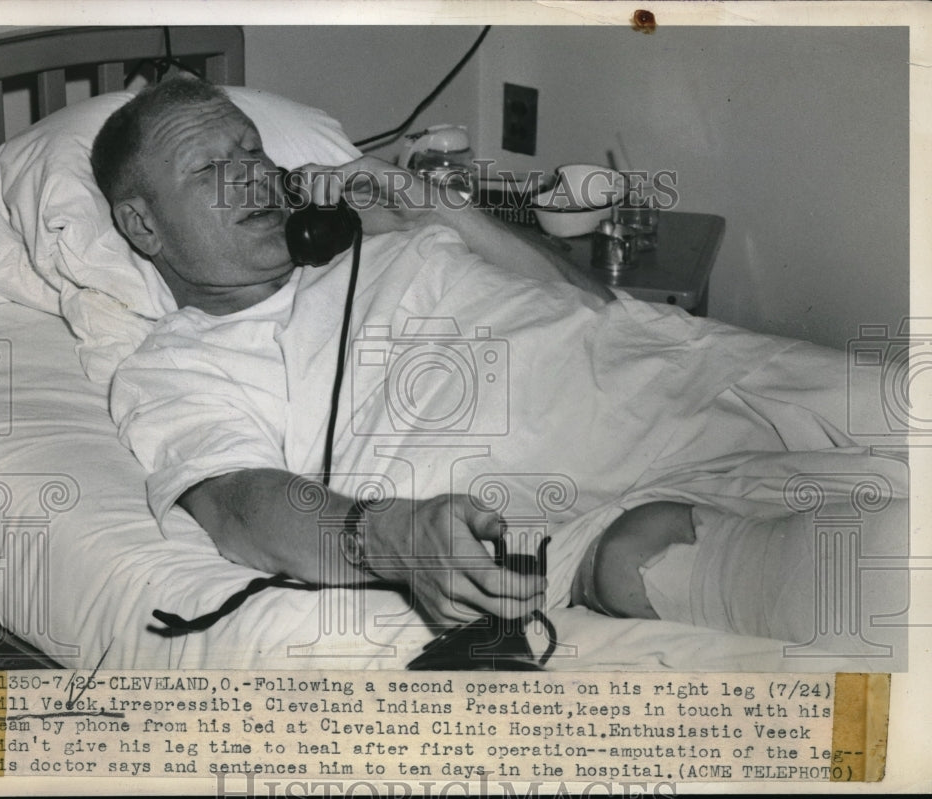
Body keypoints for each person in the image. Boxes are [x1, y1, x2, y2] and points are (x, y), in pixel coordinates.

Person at [94, 78, 904, 640]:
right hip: (589, 493)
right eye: (208, 169)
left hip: (684, 371)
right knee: (809, 560)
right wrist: (387, 535)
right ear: (142, 226)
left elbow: (586, 298)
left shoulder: (371, 240)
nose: (253, 177)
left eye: (252, 151)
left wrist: (422, 204)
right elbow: (240, 506)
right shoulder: (174, 365)